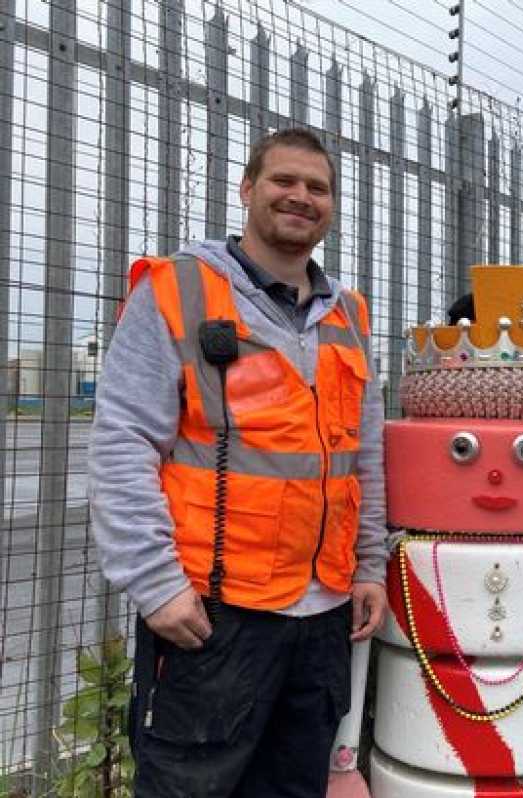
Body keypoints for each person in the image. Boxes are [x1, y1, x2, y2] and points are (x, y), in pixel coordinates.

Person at [89, 128, 388, 797]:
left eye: (318, 188)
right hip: (213, 617)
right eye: (284, 181)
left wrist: (368, 565)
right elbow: (123, 443)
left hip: (322, 618)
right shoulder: (178, 292)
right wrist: (155, 582)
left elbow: (362, 457)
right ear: (248, 189)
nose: (301, 197)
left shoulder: (350, 317)